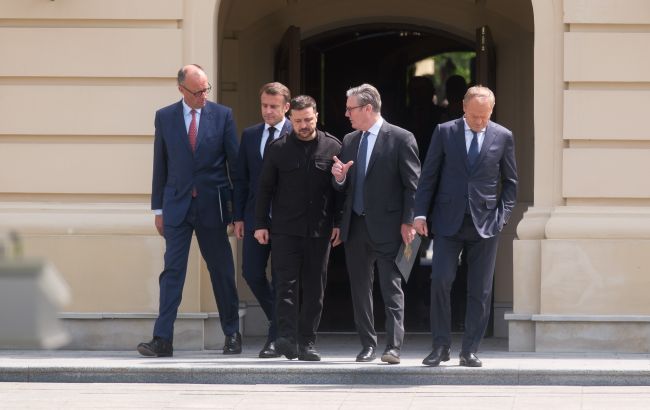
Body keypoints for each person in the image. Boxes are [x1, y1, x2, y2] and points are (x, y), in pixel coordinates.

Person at [138, 64, 242, 357]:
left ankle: (232, 334)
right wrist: (158, 210)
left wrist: (238, 213)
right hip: (177, 206)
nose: (203, 96)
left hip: (213, 206)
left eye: (206, 89)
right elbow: (160, 165)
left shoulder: (222, 115)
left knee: (221, 271)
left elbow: (235, 167)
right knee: (172, 272)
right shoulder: (165, 117)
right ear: (181, 89)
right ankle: (162, 339)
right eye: (197, 92)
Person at [414, 85, 518, 367]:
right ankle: (440, 347)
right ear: (463, 107)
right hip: (448, 220)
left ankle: (470, 349)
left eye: (484, 116)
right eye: (474, 116)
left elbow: (510, 184)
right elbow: (429, 175)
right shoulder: (444, 132)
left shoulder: (503, 136)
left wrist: (501, 217)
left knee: (480, 290)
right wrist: (420, 213)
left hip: (486, 223)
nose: (479, 121)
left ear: (491, 111)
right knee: (440, 281)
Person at [331, 83, 421, 364]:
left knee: (391, 287)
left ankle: (393, 347)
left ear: (368, 108)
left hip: (390, 227)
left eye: (351, 109)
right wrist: (339, 178)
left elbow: (412, 186)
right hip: (356, 226)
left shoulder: (401, 138)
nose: (347, 114)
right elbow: (343, 187)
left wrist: (408, 221)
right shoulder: (349, 140)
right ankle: (367, 344)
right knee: (360, 289)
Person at [254, 95, 342, 361]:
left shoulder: (333, 146)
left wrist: (338, 223)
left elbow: (340, 191)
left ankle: (307, 342)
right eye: (298, 121)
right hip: (285, 230)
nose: (304, 125)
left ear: (316, 116)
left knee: (315, 289)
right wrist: (260, 224)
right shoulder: (278, 148)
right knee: (285, 287)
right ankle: (287, 339)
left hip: (319, 230)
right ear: (290, 118)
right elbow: (265, 189)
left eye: (308, 120)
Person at [233, 82, 292, 358]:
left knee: (281, 279)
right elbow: (241, 179)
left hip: (285, 220)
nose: (267, 111)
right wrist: (238, 216)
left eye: (273, 106)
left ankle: (274, 338)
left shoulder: (296, 133)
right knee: (251, 272)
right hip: (254, 218)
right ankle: (280, 321)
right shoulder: (250, 135)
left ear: (286, 107)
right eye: (264, 106)